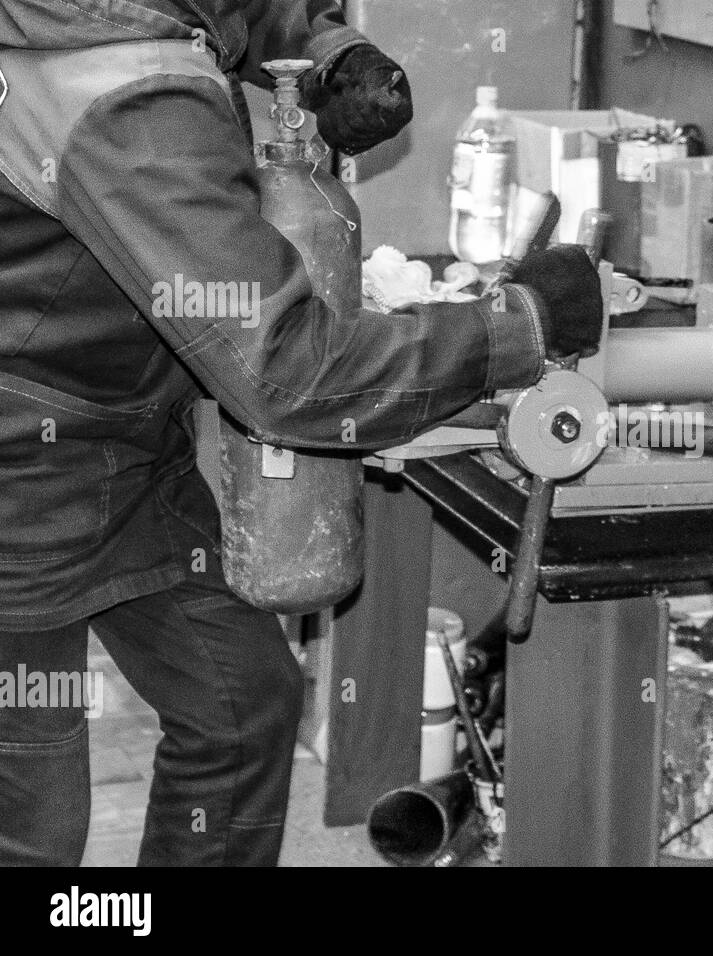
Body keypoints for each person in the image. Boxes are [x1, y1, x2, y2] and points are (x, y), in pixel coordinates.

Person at [0, 0, 602, 866]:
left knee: (241, 711)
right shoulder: (126, 98)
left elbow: (232, 11)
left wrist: (327, 55)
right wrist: (516, 328)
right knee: (32, 830)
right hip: (23, 481)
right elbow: (287, 374)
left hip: (117, 443)